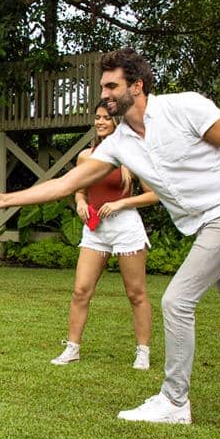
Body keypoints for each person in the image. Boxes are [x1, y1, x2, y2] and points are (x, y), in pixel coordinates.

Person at [0, 46, 220, 424]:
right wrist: (7, 199)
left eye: (113, 85)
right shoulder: (119, 143)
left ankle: (174, 401)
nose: (106, 94)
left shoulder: (185, 107)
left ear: (138, 85)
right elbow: (67, 184)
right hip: (205, 224)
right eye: (103, 86)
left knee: (177, 301)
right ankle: (176, 400)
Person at [49, 102, 159, 369]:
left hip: (125, 226)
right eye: (97, 118)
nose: (100, 122)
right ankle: (72, 348)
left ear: (116, 122)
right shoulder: (86, 157)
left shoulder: (130, 155)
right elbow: (79, 188)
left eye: (106, 118)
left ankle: (142, 351)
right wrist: (79, 201)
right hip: (95, 229)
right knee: (80, 291)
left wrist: (122, 203)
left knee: (135, 293)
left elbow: (154, 194)